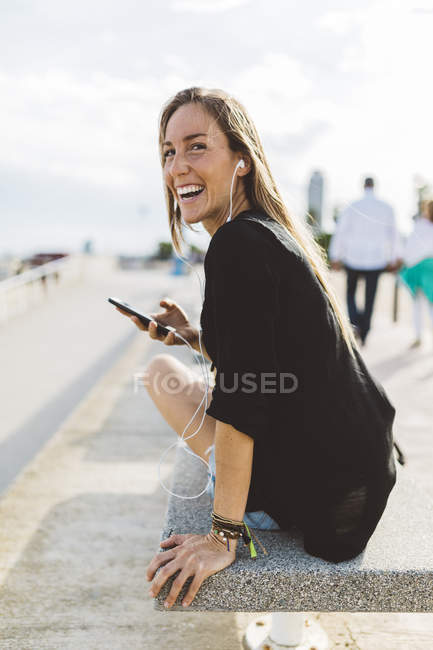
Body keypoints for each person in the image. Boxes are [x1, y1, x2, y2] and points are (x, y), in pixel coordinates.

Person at [115, 87, 398, 609]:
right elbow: (276, 362)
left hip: (328, 503)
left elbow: (244, 396)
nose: (178, 166)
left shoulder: (237, 246)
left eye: (196, 146)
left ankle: (245, 504)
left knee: (160, 375)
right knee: (170, 365)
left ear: (241, 160)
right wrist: (195, 337)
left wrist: (223, 536)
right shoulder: (268, 234)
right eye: (168, 152)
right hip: (360, 473)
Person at [329, 177, 403, 346]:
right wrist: (394, 258)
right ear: (374, 186)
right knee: (370, 297)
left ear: (363, 186)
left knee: (350, 293)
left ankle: (355, 323)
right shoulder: (386, 207)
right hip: (376, 259)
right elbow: (394, 234)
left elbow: (340, 232)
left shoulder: (352, 206)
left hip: (353, 257)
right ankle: (365, 331)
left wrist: (336, 256)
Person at [398, 200, 433, 348]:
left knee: (418, 303)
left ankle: (418, 336)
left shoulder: (420, 225)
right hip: (430, 266)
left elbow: (409, 249)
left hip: (418, 267)